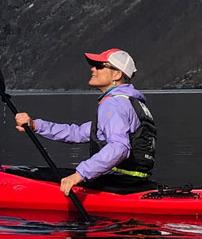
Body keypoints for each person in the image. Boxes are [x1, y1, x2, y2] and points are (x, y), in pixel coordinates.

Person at [14, 48, 157, 195]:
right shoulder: (131, 102)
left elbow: (119, 147)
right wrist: (36, 125)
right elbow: (77, 133)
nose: (93, 69)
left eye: (100, 66)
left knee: (36, 174)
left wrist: (79, 175)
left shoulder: (113, 104)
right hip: (135, 182)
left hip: (118, 182)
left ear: (117, 74)